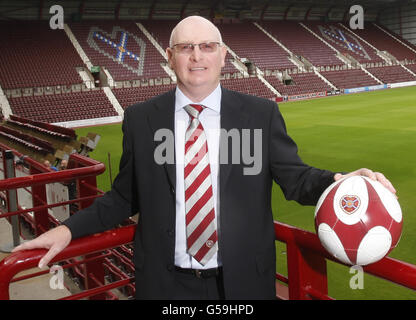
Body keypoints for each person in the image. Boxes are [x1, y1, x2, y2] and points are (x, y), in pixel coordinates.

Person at [13, 16, 397, 300]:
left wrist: (342, 181)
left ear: (223, 55)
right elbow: (123, 197)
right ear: (169, 57)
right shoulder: (142, 119)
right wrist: (65, 230)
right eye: (185, 47)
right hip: (166, 286)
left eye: (207, 46)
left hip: (243, 283)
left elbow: (296, 179)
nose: (196, 56)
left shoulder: (260, 114)